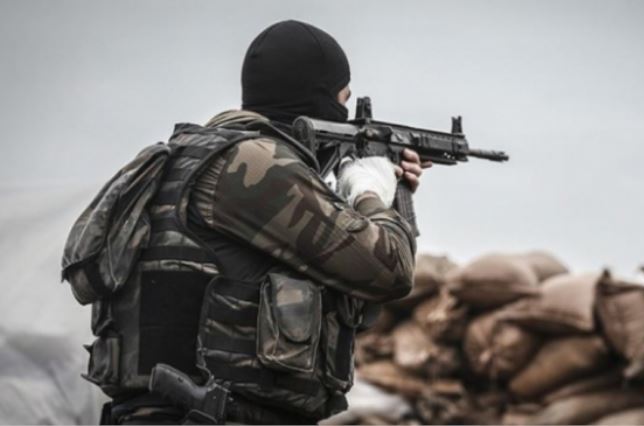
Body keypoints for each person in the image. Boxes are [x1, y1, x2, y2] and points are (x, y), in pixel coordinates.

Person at [72, 20, 426, 424]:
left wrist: (382, 196)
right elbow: (390, 270)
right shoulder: (253, 166)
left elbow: (346, 296)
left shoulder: (186, 158)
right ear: (319, 102)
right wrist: (369, 191)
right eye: (342, 101)